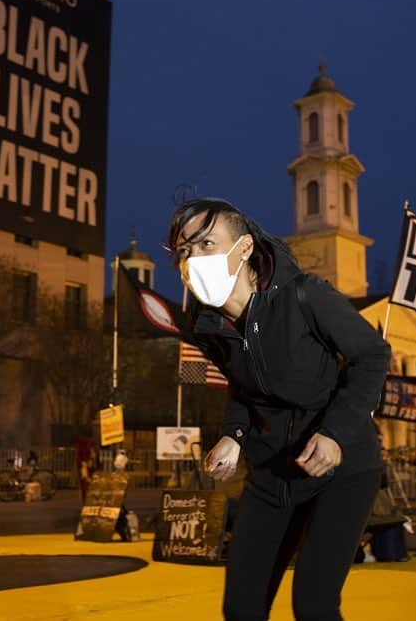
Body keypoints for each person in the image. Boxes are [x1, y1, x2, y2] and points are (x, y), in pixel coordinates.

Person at [167, 198, 391, 620]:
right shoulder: (207, 324)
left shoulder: (305, 295)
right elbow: (243, 389)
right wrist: (234, 435)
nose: (193, 258)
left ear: (245, 248)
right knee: (241, 608)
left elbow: (373, 356)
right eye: (185, 250)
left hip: (342, 470)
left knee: (313, 604)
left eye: (206, 243)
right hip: (272, 477)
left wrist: (335, 433)